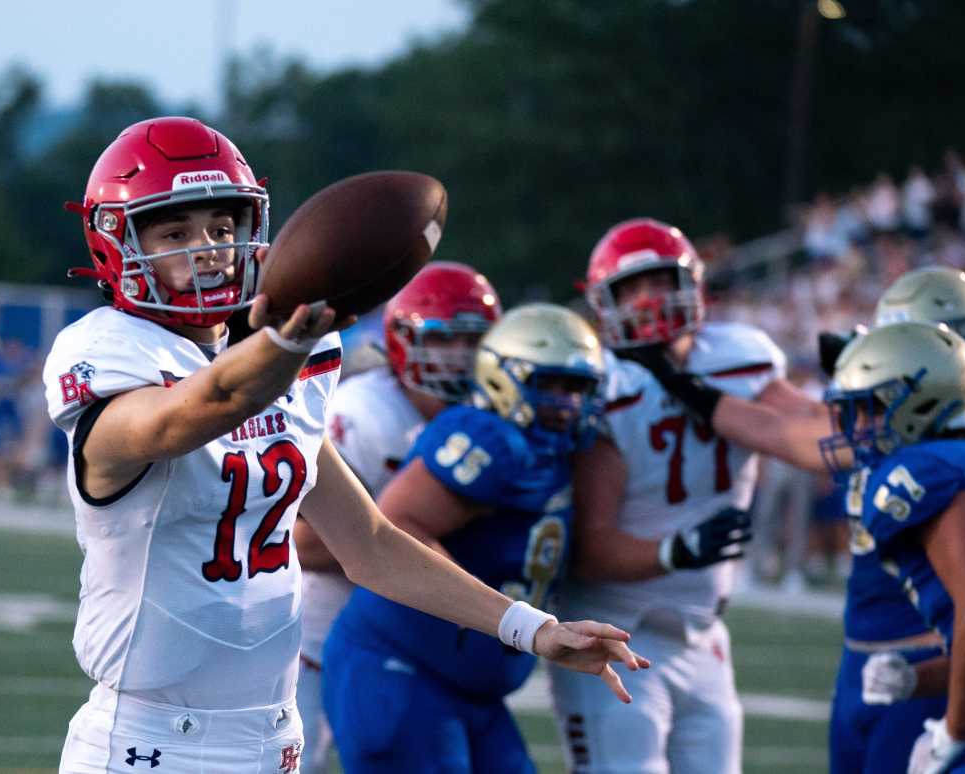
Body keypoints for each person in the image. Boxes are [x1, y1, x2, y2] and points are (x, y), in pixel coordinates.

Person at [44, 116, 647, 774]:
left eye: (222, 227)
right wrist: (282, 345)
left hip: (271, 738)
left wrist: (535, 628)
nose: (209, 248)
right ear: (117, 240)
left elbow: (373, 544)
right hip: (150, 741)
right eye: (176, 231)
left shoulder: (286, 363)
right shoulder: (108, 352)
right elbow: (199, 409)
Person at [632, 264, 965, 773]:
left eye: (900, 341)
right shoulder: (901, 428)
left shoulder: (937, 445)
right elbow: (794, 436)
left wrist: (952, 724)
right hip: (879, 658)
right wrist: (686, 387)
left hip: (937, 656)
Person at [323, 303, 635, 772]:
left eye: (578, 388)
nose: (568, 403)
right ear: (502, 377)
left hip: (470, 685)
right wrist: (493, 615)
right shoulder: (490, 439)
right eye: (550, 386)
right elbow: (397, 524)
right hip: (404, 669)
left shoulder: (557, 450)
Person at [552, 218, 787, 774]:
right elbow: (588, 546)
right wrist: (675, 550)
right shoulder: (602, 383)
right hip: (614, 627)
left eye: (660, 281)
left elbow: (799, 431)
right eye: (631, 288)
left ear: (694, 284)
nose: (649, 300)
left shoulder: (737, 354)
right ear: (603, 303)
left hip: (705, 631)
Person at [293, 260, 502, 773]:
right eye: (444, 340)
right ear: (404, 340)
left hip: (419, 642)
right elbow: (300, 541)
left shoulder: (492, 414)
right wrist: (405, 535)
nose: (460, 357)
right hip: (317, 638)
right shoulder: (362, 412)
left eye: (473, 341)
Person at [824, 321, 965, 772]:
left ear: (922, 403)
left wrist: (952, 734)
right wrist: (917, 679)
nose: (859, 428)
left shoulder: (924, 471)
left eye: (873, 409)